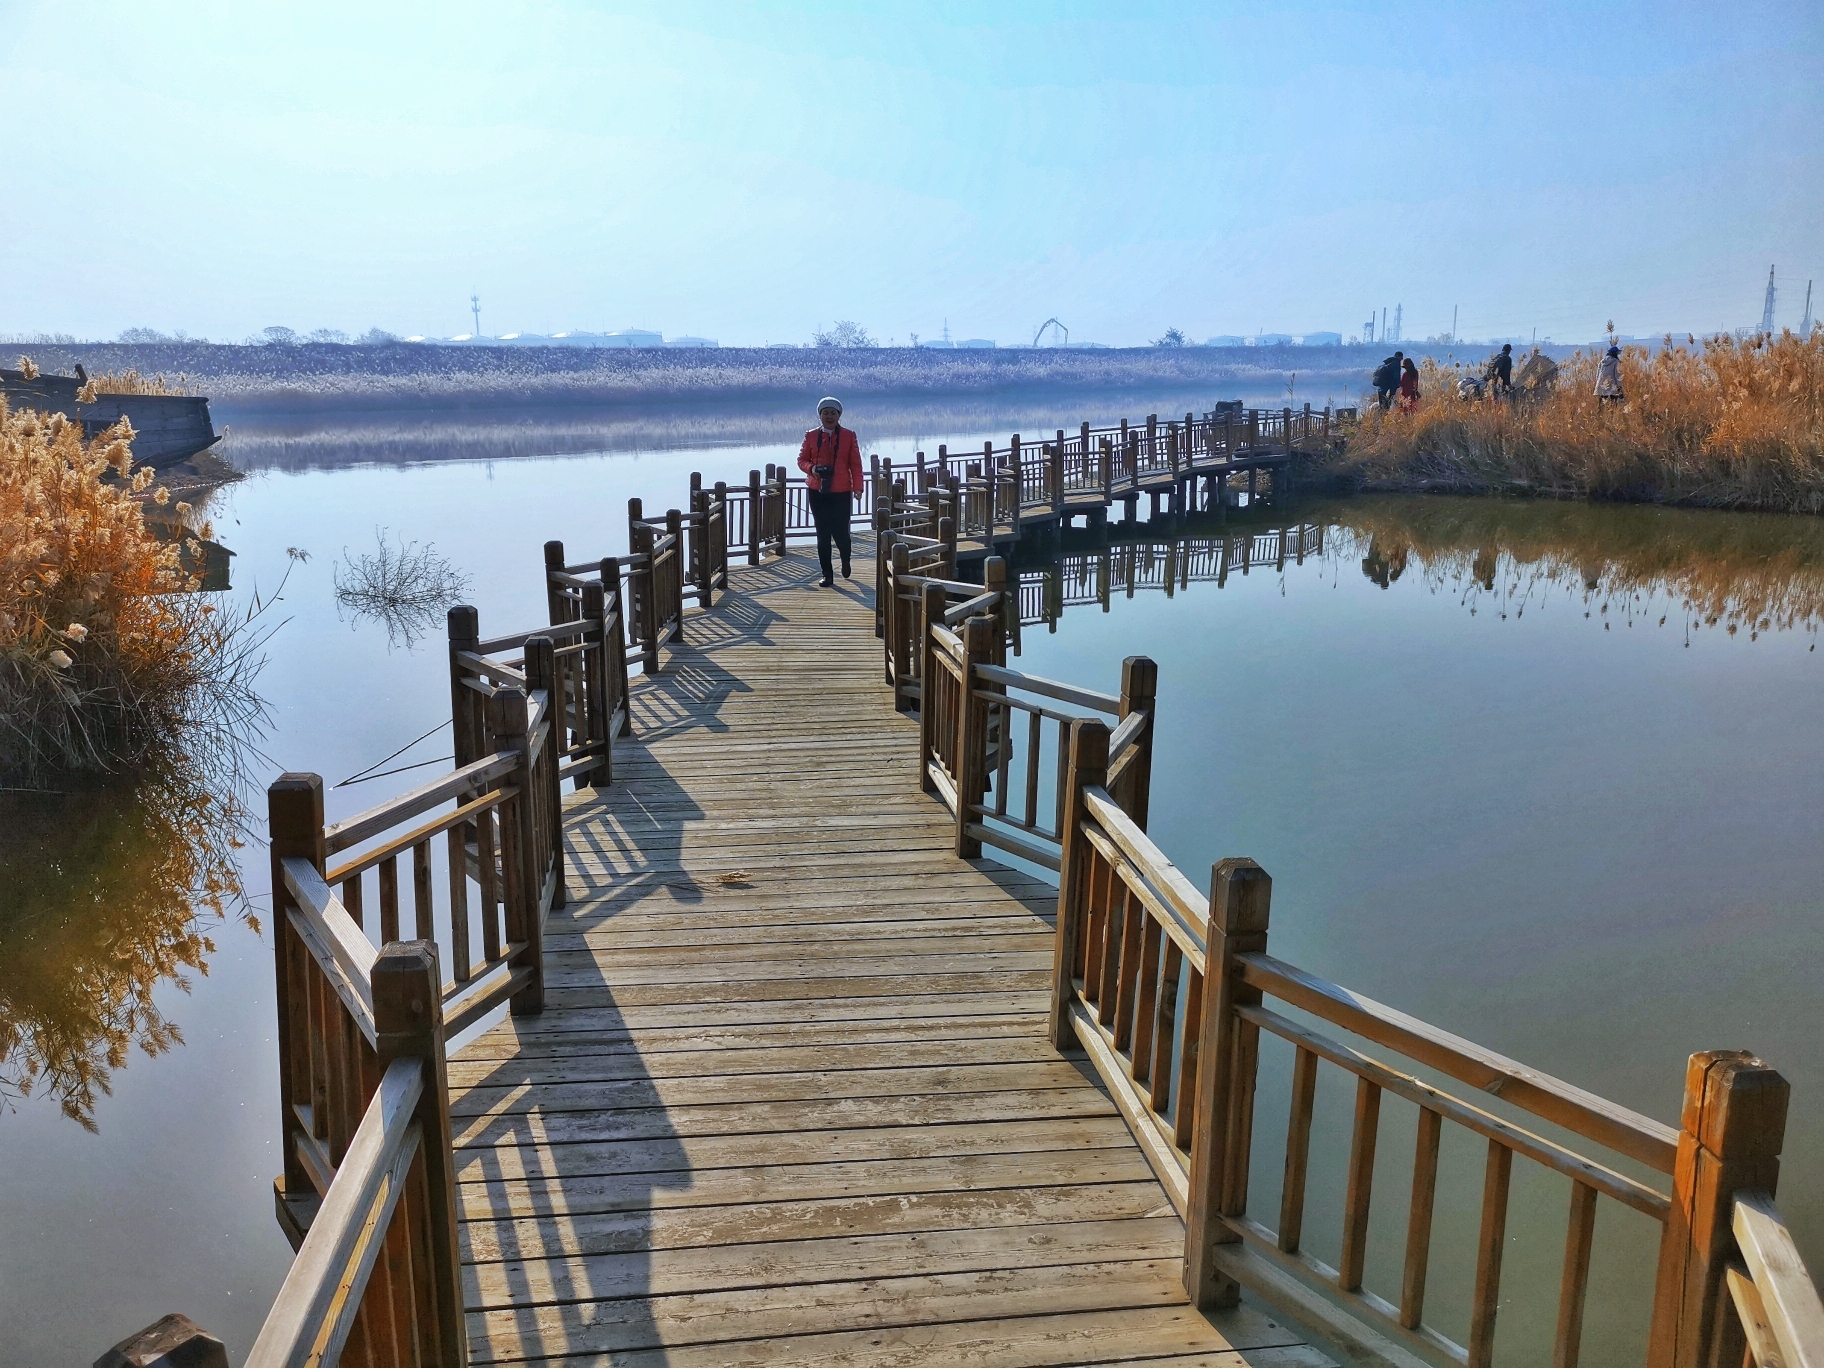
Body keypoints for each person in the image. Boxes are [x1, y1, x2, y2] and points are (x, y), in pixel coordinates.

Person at [797, 396, 864, 587]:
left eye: (833, 413)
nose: (829, 416)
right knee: (822, 532)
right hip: (817, 491)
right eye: (825, 413)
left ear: (839, 415)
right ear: (820, 415)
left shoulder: (849, 436)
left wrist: (858, 487)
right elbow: (801, 460)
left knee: (841, 532)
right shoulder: (810, 436)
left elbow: (856, 464)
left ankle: (845, 560)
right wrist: (813, 469)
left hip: (841, 491)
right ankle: (827, 573)